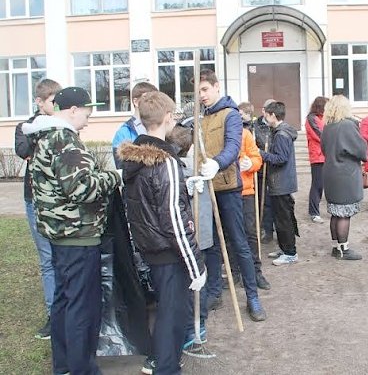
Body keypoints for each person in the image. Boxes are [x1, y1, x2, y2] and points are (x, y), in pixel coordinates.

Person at [22, 86, 121, 374]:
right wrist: (115, 176)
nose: (89, 120)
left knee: (66, 300)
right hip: (77, 234)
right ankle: (82, 368)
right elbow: (83, 189)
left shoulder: (45, 137)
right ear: (73, 110)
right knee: (82, 305)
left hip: (60, 233)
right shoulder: (64, 140)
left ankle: (64, 364)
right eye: (88, 114)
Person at [118, 91, 206, 374]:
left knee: (168, 311)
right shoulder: (164, 161)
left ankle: (164, 362)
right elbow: (174, 220)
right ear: (168, 118)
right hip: (169, 252)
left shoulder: (134, 158)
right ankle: (166, 367)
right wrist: (197, 266)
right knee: (172, 315)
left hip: (151, 247)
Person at [197, 69, 267, 321]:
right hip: (205, 190)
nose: (201, 95)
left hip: (228, 188)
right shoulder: (199, 117)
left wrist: (217, 163)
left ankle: (252, 298)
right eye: (198, 91)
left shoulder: (231, 115)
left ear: (217, 87)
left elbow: (232, 147)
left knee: (239, 243)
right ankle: (215, 291)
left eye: (205, 89)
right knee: (211, 245)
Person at [14, 78, 61, 340]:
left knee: (63, 257)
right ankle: (53, 314)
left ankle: (67, 309)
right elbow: (23, 150)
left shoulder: (63, 125)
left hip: (60, 201)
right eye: (53, 102)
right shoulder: (27, 127)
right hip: (35, 200)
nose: (56, 106)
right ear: (39, 102)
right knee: (47, 259)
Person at [228, 101, 272, 289]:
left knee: (251, 233)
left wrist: (251, 164)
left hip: (246, 191)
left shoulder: (245, 135)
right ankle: (234, 271)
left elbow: (256, 157)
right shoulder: (221, 137)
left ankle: (256, 272)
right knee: (231, 234)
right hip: (227, 191)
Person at [320, 95, 368, 260]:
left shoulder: (328, 126)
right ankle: (344, 249)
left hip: (331, 172)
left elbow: (324, 149)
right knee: (344, 214)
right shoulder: (347, 125)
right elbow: (361, 149)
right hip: (345, 174)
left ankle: (336, 247)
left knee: (335, 212)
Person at [259, 101, 300, 266]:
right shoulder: (278, 131)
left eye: (267, 115)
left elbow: (281, 159)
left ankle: (290, 253)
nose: (265, 117)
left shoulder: (281, 135)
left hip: (281, 183)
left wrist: (262, 154)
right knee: (280, 217)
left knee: (284, 219)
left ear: (273, 116)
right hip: (280, 182)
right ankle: (285, 248)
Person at [112, 81, 158, 168]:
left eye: (155, 99)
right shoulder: (123, 132)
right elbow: (122, 168)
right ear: (136, 102)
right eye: (147, 99)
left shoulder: (158, 126)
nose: (153, 103)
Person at [254, 99, 276, 243]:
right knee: (265, 201)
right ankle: (267, 230)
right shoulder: (256, 126)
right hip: (262, 169)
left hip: (275, 169)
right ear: (263, 111)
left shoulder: (277, 125)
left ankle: (277, 228)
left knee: (277, 201)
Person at [305, 96, 328, 224]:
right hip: (317, 156)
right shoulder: (311, 119)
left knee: (324, 184)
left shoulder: (322, 118)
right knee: (317, 185)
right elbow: (320, 135)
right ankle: (314, 212)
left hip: (325, 155)